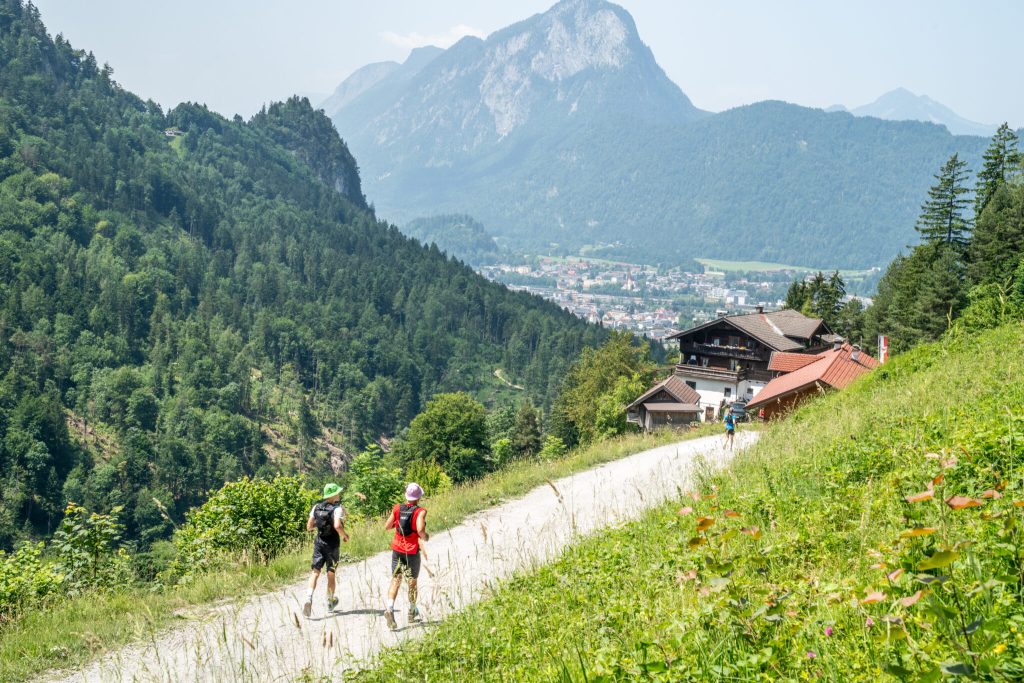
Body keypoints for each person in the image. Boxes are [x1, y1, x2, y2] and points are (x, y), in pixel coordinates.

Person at [382, 482, 428, 630]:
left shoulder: (397, 508)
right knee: (412, 581)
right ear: (418, 497)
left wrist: (397, 523)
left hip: (397, 549)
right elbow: (420, 529)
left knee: (396, 579)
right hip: (411, 551)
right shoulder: (420, 511)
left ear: (406, 496)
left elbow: (387, 526)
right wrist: (425, 537)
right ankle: (412, 611)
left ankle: (390, 609)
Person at [303, 482, 349, 618]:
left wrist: (320, 524)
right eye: (338, 492)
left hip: (319, 542)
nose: (339, 494)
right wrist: (344, 535)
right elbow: (337, 526)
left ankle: (308, 598)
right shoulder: (337, 509)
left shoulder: (316, 507)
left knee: (315, 572)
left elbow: (309, 526)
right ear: (334, 495)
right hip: (332, 544)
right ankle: (330, 602)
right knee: (331, 573)